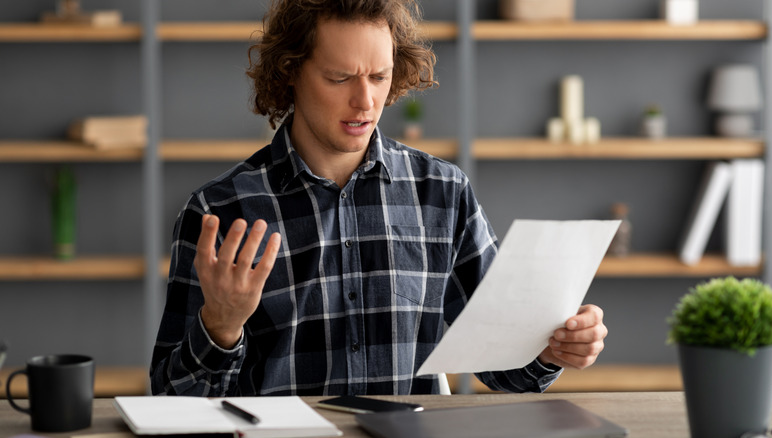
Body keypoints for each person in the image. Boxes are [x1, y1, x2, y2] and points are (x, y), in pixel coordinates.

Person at [150, 0, 608, 396]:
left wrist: (549, 350)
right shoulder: (220, 211)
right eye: (339, 78)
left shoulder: (443, 194)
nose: (365, 100)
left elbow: (508, 367)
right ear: (290, 72)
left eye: (379, 76)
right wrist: (221, 327)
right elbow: (173, 398)